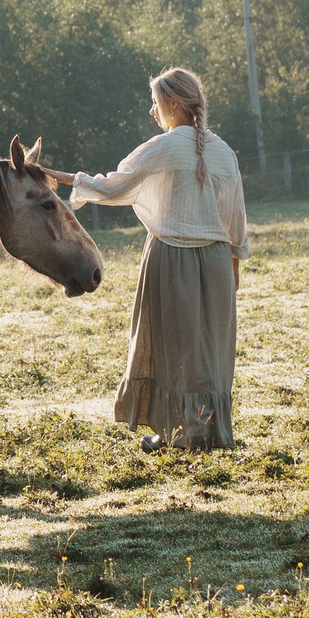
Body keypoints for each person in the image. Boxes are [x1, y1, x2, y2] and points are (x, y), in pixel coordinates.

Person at [54, 67, 249, 450]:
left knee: (172, 347)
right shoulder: (224, 151)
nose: (153, 111)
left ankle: (178, 432)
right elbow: (236, 219)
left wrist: (49, 175)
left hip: (173, 258)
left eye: (156, 103)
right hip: (215, 261)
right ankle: (209, 431)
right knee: (210, 348)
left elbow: (110, 186)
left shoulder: (163, 147)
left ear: (173, 104)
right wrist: (234, 267)